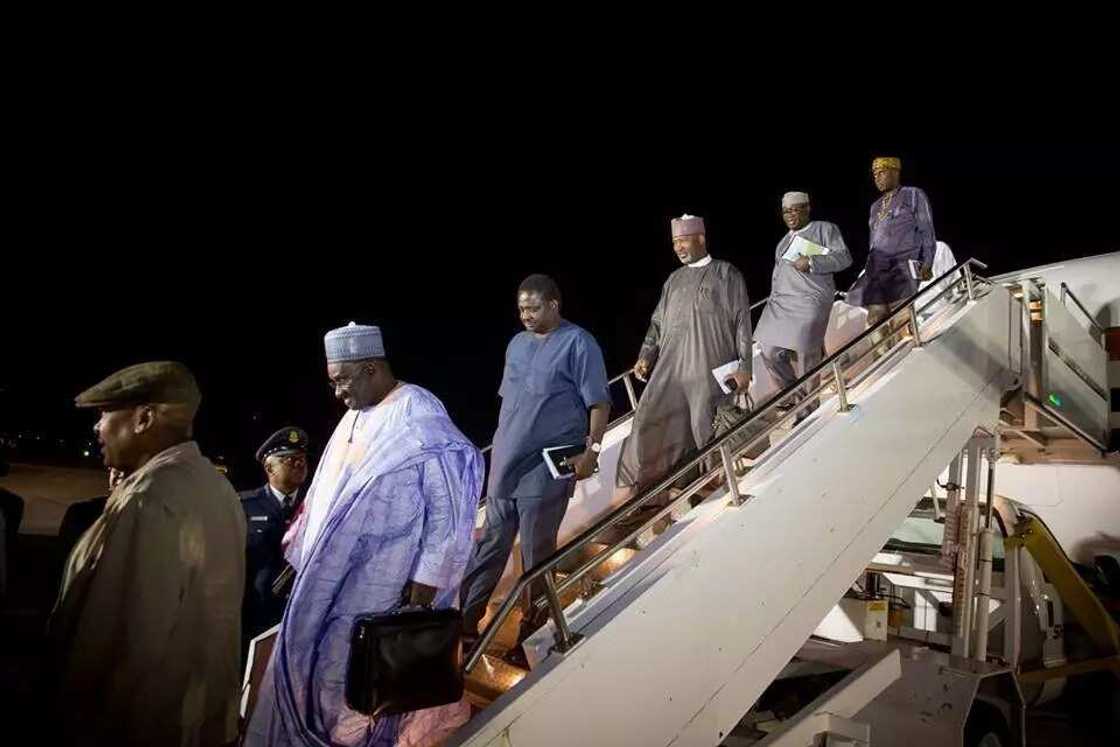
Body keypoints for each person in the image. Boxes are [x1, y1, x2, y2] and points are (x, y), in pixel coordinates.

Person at [246, 323, 484, 747]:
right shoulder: (354, 417)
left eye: (342, 379)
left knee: (357, 678)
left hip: (387, 581)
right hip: (336, 579)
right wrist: (303, 549)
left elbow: (451, 505)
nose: (337, 392)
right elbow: (326, 490)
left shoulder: (418, 415)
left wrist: (429, 578)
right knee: (326, 672)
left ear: (371, 368)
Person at [48, 361, 245, 746]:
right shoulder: (215, 488)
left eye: (105, 413)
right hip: (195, 720)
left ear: (143, 418)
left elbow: (120, 642)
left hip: (140, 724)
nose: (97, 427)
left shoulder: (149, 500)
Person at [459, 274, 610, 653]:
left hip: (544, 468)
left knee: (536, 552)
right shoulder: (516, 345)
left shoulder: (579, 343)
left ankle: (533, 627)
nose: (525, 315)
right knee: (491, 544)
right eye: (521, 309)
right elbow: (511, 403)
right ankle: (464, 621)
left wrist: (591, 450)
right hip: (506, 463)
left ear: (554, 304)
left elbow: (599, 402)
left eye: (533, 307)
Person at [614, 214, 753, 501]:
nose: (678, 247)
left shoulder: (727, 274)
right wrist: (645, 355)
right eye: (674, 242)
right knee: (649, 418)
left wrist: (745, 367)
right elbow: (657, 324)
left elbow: (742, 322)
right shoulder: (673, 280)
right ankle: (660, 491)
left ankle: (720, 488)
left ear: (701, 238)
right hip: (672, 370)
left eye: (683, 240)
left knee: (705, 429)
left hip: (708, 368)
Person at [754, 191, 851, 409]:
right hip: (782, 304)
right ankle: (795, 397)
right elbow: (777, 277)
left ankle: (809, 406)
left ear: (807, 208)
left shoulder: (825, 229)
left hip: (812, 300)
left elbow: (844, 258)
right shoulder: (782, 243)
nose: (790, 215)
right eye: (786, 211)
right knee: (768, 348)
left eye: (795, 209)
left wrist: (813, 261)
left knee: (805, 349)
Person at [240, 426, 309, 650]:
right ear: (269, 467)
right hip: (256, 617)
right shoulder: (243, 506)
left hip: (303, 614)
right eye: (289, 459)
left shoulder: (317, 504)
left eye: (301, 458)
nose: (299, 463)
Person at [850, 156, 937, 330]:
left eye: (881, 172)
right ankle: (880, 356)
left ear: (895, 172)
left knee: (902, 319)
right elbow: (873, 241)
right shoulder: (875, 207)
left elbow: (926, 229)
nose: (877, 177)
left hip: (902, 267)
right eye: (874, 174)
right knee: (874, 321)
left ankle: (909, 352)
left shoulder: (912, 194)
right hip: (876, 271)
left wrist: (927, 261)